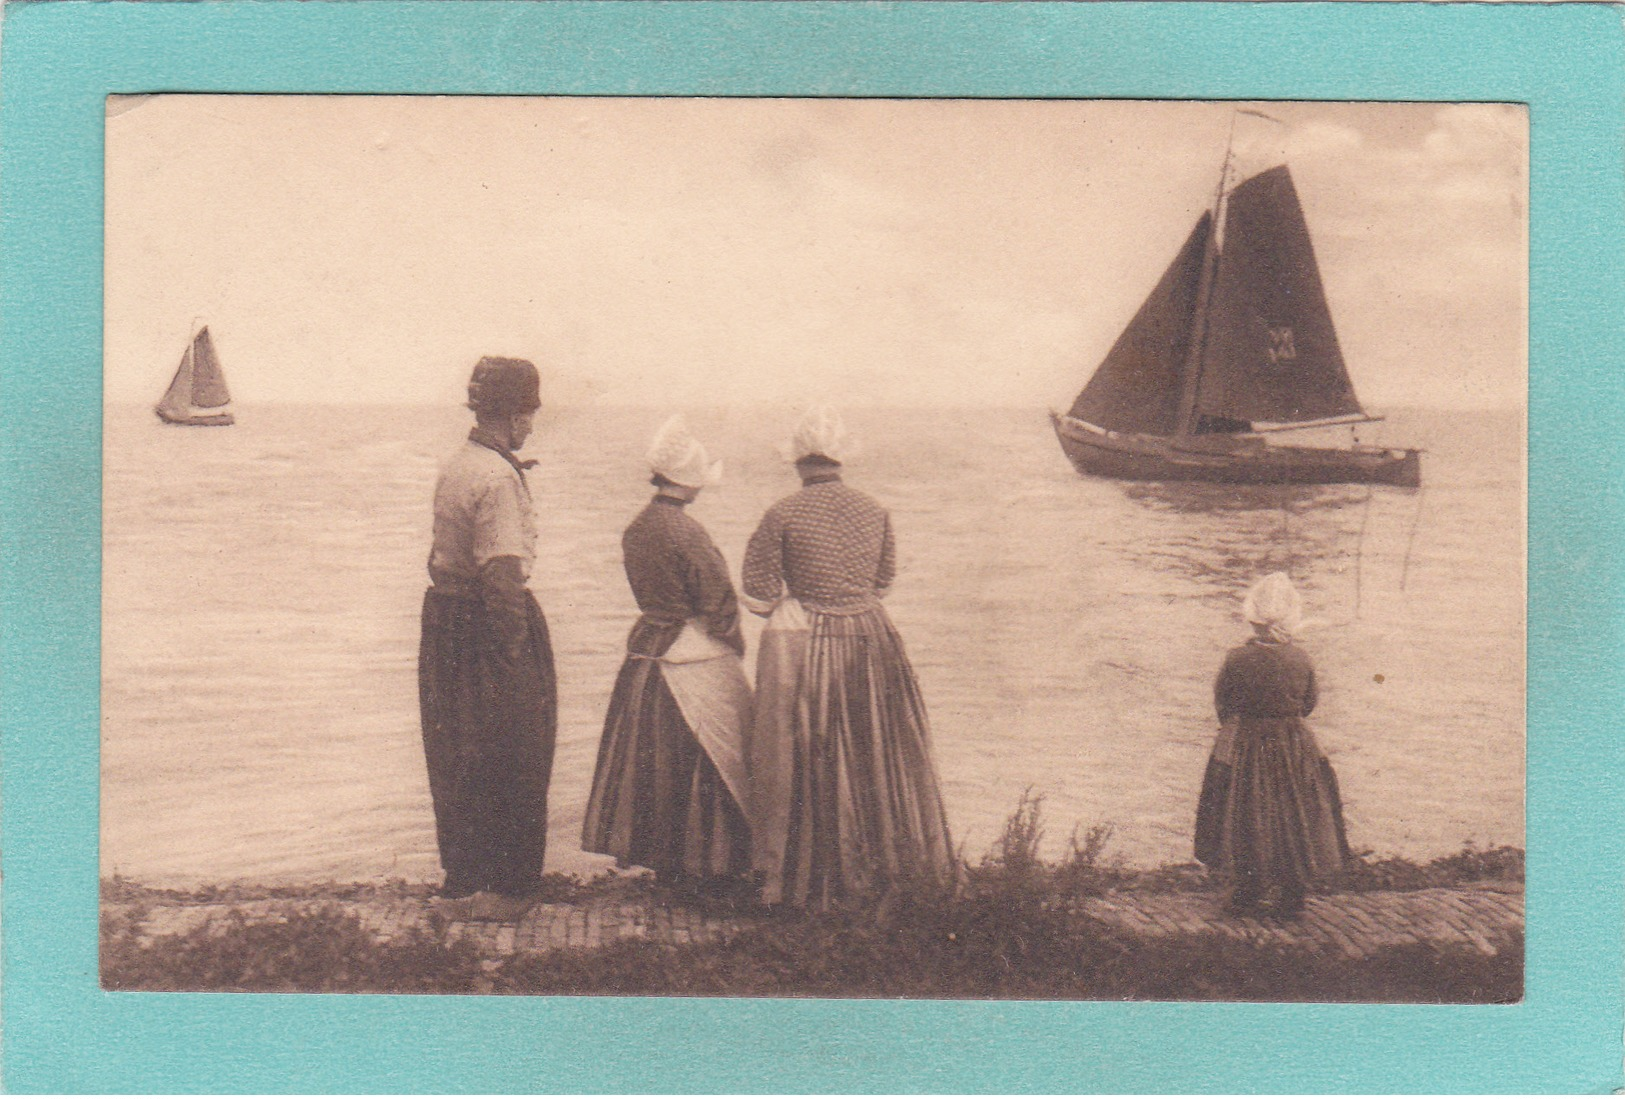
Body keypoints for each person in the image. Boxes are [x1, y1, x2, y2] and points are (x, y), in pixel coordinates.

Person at [741, 407, 955, 912]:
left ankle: (810, 872)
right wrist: (850, 598)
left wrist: (802, 599)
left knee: (806, 752)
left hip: (809, 637)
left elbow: (759, 591)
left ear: (799, 463)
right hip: (870, 635)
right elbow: (884, 580)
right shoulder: (875, 509)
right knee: (876, 747)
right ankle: (888, 863)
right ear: (840, 461)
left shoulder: (782, 512)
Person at [581, 416, 753, 891]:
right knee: (717, 753)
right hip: (692, 652)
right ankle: (712, 867)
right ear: (690, 482)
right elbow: (718, 599)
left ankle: (667, 863)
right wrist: (732, 642)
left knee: (651, 759)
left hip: (648, 651)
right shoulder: (688, 532)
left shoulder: (636, 528)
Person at [418, 356, 558, 923]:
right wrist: (514, 656)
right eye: (528, 413)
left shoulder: (462, 464)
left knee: (457, 752)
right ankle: (504, 889)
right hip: (487, 622)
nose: (531, 424)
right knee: (516, 747)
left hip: (446, 622)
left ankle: (464, 879)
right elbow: (502, 575)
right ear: (515, 415)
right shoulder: (499, 479)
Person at [1194, 571, 1350, 917]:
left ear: (1253, 620)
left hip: (1248, 743)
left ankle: (1248, 890)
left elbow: (1224, 703)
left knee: (1247, 813)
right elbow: (1309, 704)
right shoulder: (1301, 658)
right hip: (1294, 744)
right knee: (1292, 813)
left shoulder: (1236, 659)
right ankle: (1291, 894)